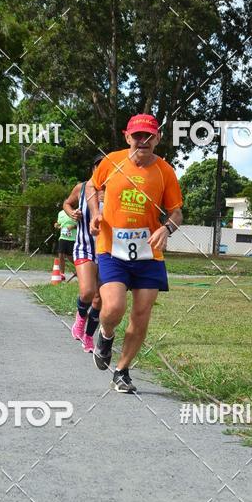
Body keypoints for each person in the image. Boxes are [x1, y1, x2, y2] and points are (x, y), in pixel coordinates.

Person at [86, 113, 183, 393]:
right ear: (127, 137)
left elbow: (176, 211)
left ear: (157, 139)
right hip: (111, 248)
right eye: (137, 135)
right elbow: (93, 186)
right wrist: (96, 213)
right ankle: (105, 335)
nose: (143, 141)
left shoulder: (165, 171)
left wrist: (167, 228)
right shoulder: (112, 161)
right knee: (114, 307)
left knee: (141, 313)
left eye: (149, 135)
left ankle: (122, 370)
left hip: (148, 253)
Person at [62, 154, 105, 352]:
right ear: (93, 169)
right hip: (85, 246)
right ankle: (80, 318)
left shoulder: (116, 191)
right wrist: (72, 213)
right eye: (99, 166)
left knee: (99, 299)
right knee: (88, 292)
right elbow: (66, 203)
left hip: (108, 251)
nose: (102, 171)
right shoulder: (81, 188)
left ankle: (88, 336)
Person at [53, 206, 78, 281]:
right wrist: (56, 225)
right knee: (60, 255)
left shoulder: (76, 212)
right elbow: (59, 224)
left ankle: (82, 269)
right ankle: (62, 274)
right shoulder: (60, 213)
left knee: (70, 257)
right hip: (63, 237)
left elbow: (82, 225)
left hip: (73, 238)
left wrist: (73, 226)